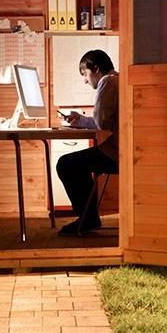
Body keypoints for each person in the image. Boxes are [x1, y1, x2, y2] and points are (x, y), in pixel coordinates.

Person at [55, 49, 119, 234]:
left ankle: (88, 219)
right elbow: (104, 123)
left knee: (67, 164)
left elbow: (102, 124)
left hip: (118, 152)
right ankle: (88, 218)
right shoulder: (119, 79)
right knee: (76, 163)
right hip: (126, 148)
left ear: (96, 69)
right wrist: (80, 120)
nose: (84, 80)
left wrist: (84, 120)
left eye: (85, 74)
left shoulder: (107, 82)